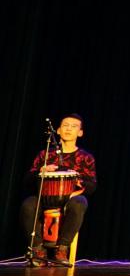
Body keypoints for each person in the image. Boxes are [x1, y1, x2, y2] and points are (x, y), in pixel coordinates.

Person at [20, 113, 97, 266]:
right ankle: (38, 250)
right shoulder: (45, 154)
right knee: (28, 205)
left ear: (80, 133)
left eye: (74, 126)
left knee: (80, 203)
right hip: (44, 198)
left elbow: (92, 185)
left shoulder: (85, 157)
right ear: (58, 130)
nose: (69, 129)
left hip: (69, 199)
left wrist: (76, 180)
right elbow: (27, 181)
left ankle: (62, 249)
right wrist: (41, 170)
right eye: (65, 125)